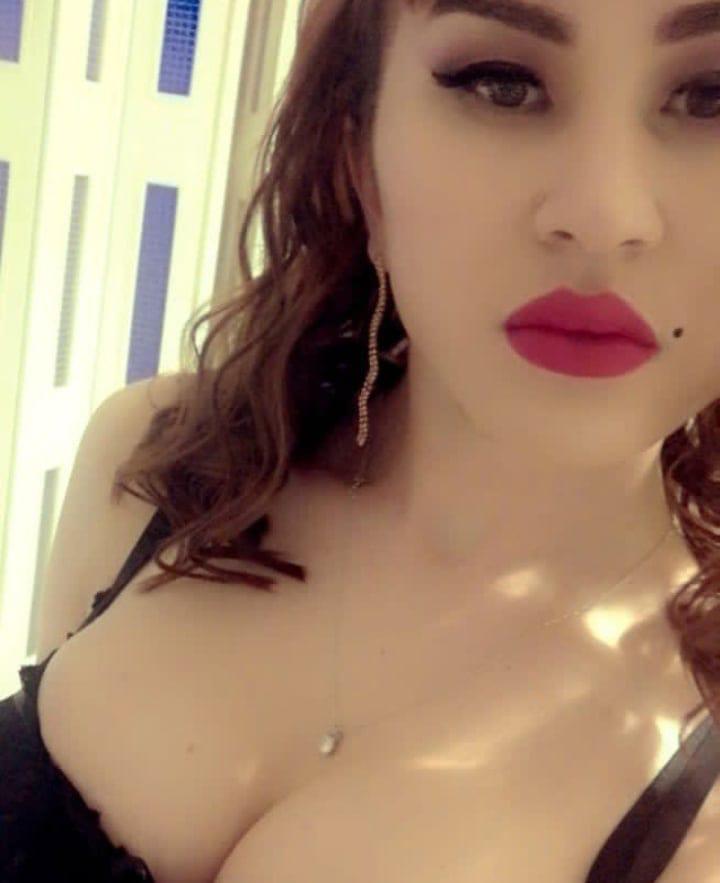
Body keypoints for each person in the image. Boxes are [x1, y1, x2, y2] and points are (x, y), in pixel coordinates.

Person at [5, 0, 720, 880]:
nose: (606, 214)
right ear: (361, 163)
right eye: (502, 84)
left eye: (711, 97)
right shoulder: (161, 462)